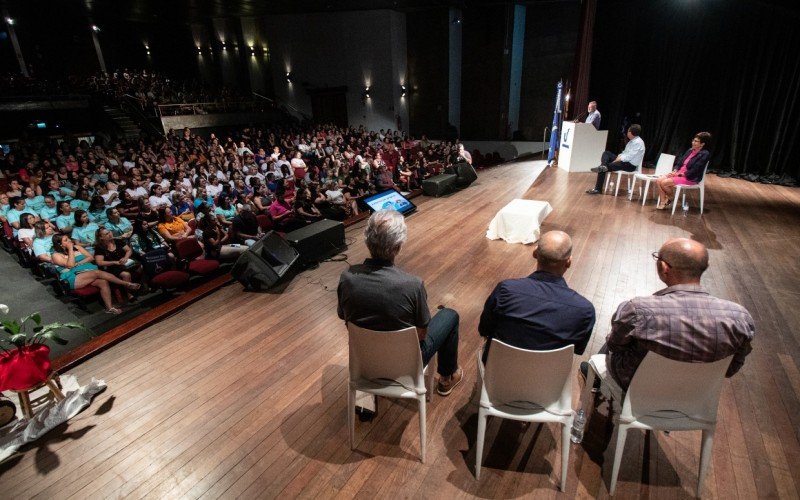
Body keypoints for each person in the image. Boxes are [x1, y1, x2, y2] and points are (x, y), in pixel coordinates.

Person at [582, 238, 755, 391]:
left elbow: (615, 346)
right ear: (705, 267)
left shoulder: (638, 310)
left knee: (615, 338)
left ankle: (595, 379)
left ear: (664, 268)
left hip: (638, 388)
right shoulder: (740, 318)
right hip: (696, 394)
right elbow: (731, 369)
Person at [337, 209, 463, 396]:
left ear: (367, 241)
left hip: (365, 359)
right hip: (405, 363)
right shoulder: (412, 285)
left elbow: (344, 317)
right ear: (398, 246)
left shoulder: (347, 278)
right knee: (450, 315)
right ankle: (447, 377)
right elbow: (421, 334)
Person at [478, 231, 596, 361]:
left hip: (497, 371)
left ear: (535, 253)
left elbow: (485, 329)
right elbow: (577, 349)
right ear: (568, 262)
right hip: (550, 378)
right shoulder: (585, 310)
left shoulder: (506, 290)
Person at [50, 234, 140, 315]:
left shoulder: (77, 247)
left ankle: (109, 308)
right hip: (73, 277)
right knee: (96, 273)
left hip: (87, 272)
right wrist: (70, 249)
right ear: (59, 244)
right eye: (66, 240)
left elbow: (90, 257)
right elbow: (70, 265)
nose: (69, 240)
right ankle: (127, 284)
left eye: (69, 238)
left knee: (103, 282)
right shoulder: (56, 255)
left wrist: (79, 263)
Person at [655, 132, 712, 210]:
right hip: (679, 174)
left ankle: (670, 198)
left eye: (696, 141)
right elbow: (679, 163)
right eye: (693, 140)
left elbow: (695, 169)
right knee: (658, 180)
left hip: (690, 177)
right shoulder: (690, 150)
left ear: (702, 144)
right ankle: (664, 201)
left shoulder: (705, 154)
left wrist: (681, 174)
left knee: (664, 183)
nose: (693, 142)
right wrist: (675, 171)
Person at [586, 124, 645, 195]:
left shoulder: (638, 143)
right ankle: (604, 165)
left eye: (628, 131)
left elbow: (628, 157)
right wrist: (619, 157)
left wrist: (618, 159)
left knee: (603, 168)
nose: (627, 133)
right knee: (606, 153)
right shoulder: (632, 141)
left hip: (630, 165)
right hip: (624, 161)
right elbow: (624, 153)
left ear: (630, 133)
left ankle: (598, 189)